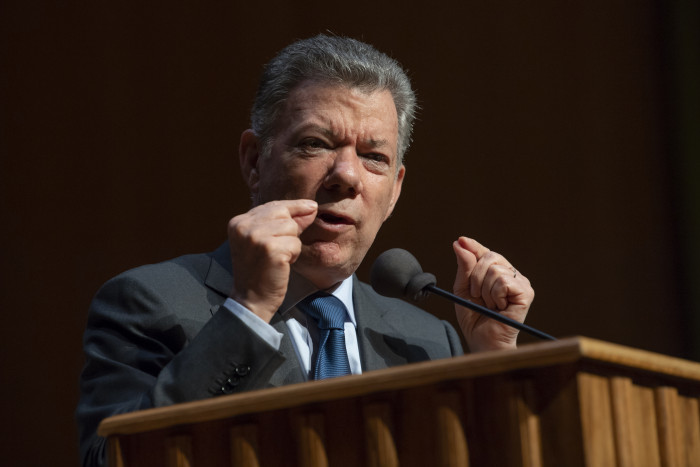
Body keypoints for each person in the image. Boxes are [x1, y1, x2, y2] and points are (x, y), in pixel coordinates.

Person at [76, 34, 534, 467]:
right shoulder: (149, 301)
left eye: (374, 157)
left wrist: (494, 368)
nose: (347, 177)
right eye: (316, 144)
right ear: (255, 161)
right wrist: (248, 312)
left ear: (394, 191)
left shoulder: (432, 342)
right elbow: (110, 460)